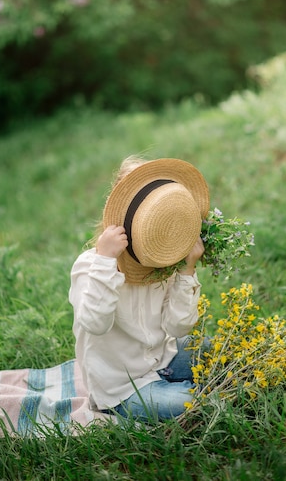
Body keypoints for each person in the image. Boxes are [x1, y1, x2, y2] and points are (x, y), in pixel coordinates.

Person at [69, 156, 210, 421]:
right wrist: (105, 261)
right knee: (193, 404)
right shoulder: (90, 266)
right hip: (121, 387)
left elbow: (177, 328)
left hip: (162, 359)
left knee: (224, 352)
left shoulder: (162, 263)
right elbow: (94, 323)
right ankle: (190, 393)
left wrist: (187, 270)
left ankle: (196, 386)